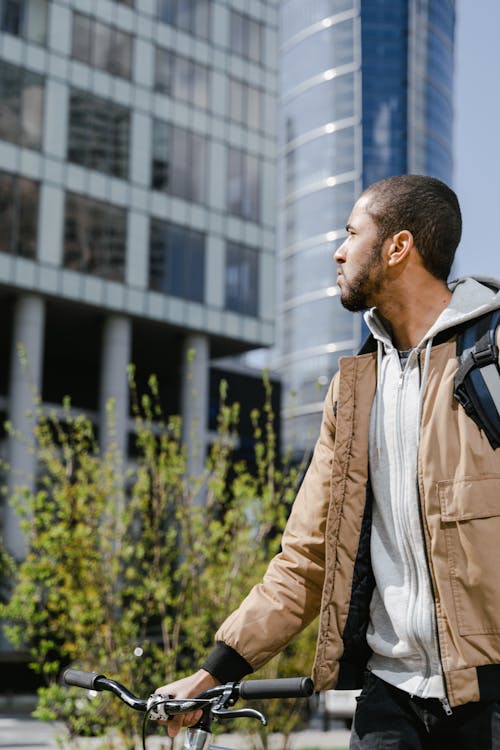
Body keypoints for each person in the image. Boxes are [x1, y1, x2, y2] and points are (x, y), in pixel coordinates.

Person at [156, 175, 500, 749]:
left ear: (398, 247)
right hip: (389, 698)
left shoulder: (489, 355)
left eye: (351, 233)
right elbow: (309, 554)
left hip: (488, 700)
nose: (338, 251)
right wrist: (215, 670)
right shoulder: (352, 390)